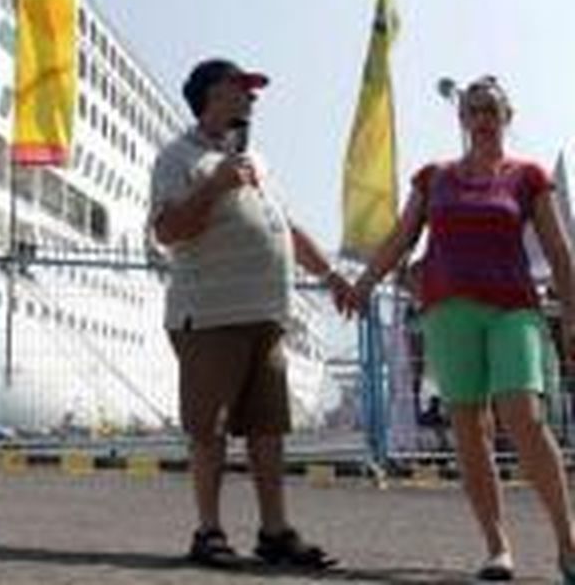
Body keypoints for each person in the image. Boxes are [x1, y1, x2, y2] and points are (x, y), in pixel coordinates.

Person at [347, 76, 575, 583]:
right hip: (448, 312)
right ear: (462, 119)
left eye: (491, 108)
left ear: (507, 116)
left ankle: (568, 543)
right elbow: (400, 239)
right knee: (469, 429)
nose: (482, 117)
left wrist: (574, 314)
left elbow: (559, 251)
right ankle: (497, 548)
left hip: (513, 309)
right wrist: (363, 283)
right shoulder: (434, 178)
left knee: (524, 418)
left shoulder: (528, 176)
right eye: (473, 109)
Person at [149, 57, 349, 569]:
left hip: (267, 314)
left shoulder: (257, 158)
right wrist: (214, 185)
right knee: (209, 428)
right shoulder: (177, 156)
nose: (252, 99)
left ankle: (274, 530)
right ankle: (208, 530)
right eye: (242, 88)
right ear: (213, 94)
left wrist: (330, 276)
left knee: (267, 429)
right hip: (210, 313)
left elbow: (286, 224)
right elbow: (168, 230)